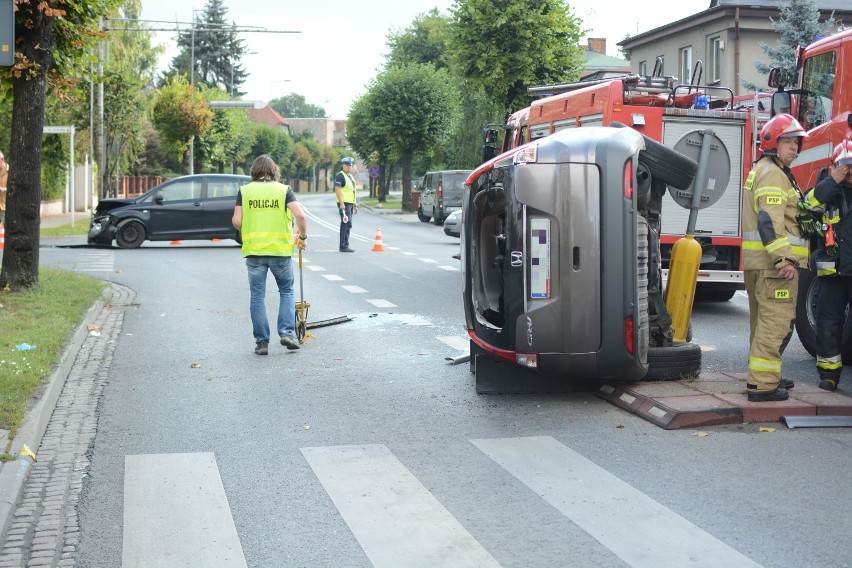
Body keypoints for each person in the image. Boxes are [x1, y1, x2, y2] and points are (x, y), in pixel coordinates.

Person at [741, 113, 810, 402]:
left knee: (761, 323)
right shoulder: (773, 173)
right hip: (774, 266)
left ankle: (765, 375)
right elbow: (769, 221)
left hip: (759, 263)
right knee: (775, 322)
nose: (793, 148)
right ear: (772, 143)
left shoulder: (765, 169)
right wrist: (784, 259)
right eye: (787, 142)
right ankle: (763, 384)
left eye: (796, 142)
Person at [232, 154, 308, 356]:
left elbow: (237, 221)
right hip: (280, 252)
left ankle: (262, 343)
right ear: (274, 170)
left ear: (254, 171)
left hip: (254, 251)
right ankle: (287, 333)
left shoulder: (245, 191)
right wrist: (302, 236)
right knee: (286, 291)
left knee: (257, 296)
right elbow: (300, 215)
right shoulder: (284, 190)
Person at [802, 140, 852, 391]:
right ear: (836, 166)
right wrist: (832, 182)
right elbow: (805, 212)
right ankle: (829, 376)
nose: (850, 171)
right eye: (846, 165)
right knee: (828, 325)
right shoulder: (825, 189)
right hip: (831, 273)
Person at [334, 157, 359, 252]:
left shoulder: (350, 177)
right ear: (343, 165)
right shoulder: (340, 175)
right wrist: (341, 203)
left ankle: (345, 244)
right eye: (347, 165)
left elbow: (353, 191)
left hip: (350, 204)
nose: (349, 167)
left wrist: (355, 205)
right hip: (344, 204)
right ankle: (343, 246)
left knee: (348, 224)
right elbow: (337, 189)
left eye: (350, 165)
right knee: (345, 223)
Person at [0, 150, 8, 223]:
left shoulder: (11, 171)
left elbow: (16, 189)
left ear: (2, 159)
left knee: (7, 232)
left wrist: (4, 190)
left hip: (7, 209)